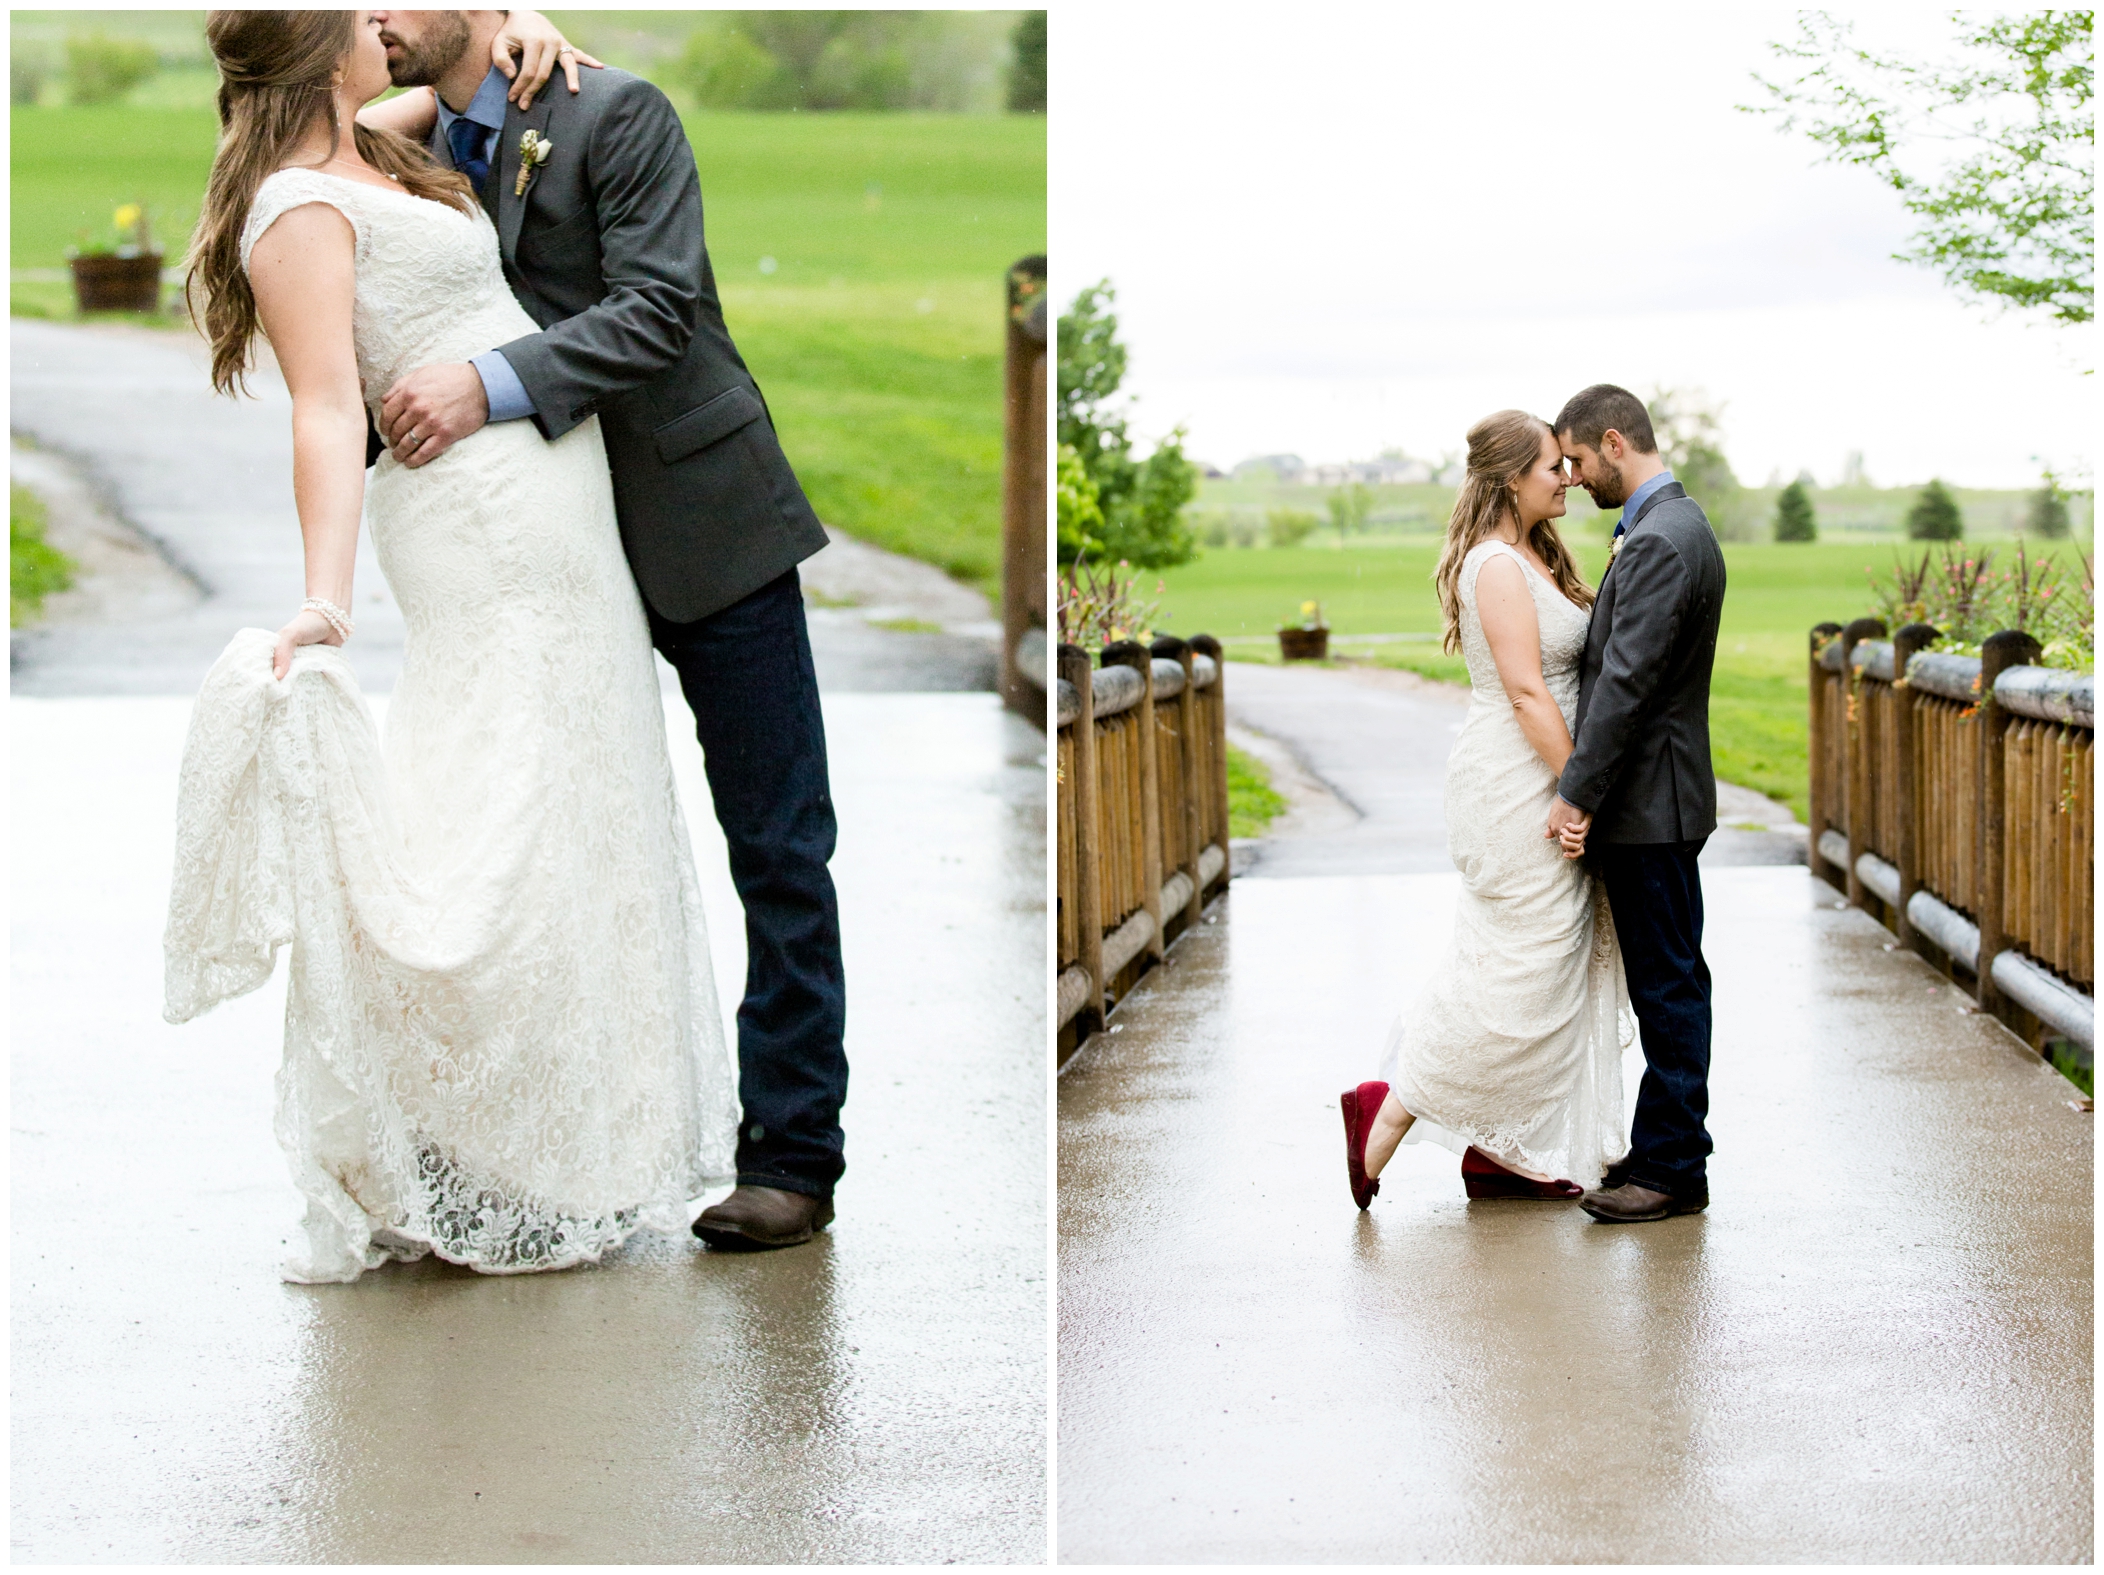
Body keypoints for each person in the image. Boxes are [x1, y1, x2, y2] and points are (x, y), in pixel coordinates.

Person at [164, 9, 747, 1281]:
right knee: (500, 802)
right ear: (326, 56)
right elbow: (325, 406)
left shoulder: (378, 138)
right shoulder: (299, 206)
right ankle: (473, 1146)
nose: (384, 20)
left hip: (559, 517)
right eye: (359, 15)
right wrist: (326, 597)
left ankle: (570, 1144)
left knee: (574, 798)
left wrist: (518, 21)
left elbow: (483, 81)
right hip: (477, 527)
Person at [353, 9, 847, 1252]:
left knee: (778, 845)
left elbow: (661, 311)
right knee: (529, 843)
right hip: (542, 558)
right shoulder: (410, 142)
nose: (371, 20)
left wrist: (486, 381)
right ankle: (514, 1150)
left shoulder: (615, 113)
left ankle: (791, 1157)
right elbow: (335, 136)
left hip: (701, 517)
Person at [1339, 410, 1632, 1211]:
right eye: (1551, 466)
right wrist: (1580, 791)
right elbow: (1528, 691)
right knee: (1520, 970)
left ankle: (1500, 1150)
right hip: (1517, 783)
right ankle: (1386, 1111)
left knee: (1539, 966)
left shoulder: (1531, 555)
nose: (1567, 476)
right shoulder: (1496, 566)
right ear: (1511, 479)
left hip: (1541, 772)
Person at [1548, 384, 1726, 1224]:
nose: (1575, 479)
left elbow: (1626, 683)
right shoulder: (1671, 527)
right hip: (1658, 793)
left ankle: (1671, 1167)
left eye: (1578, 460)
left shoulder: (1659, 540)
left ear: (1614, 442)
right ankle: (1664, 1145)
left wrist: (1576, 792)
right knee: (1670, 976)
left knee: (1669, 983)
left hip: (1650, 799)